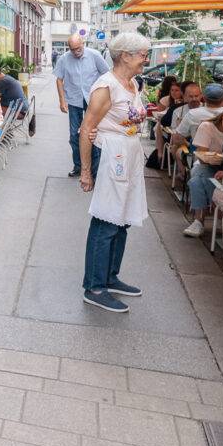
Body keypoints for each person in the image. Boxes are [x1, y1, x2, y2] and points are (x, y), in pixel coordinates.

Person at [77, 32, 153, 313]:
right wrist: (86, 172)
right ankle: (95, 286)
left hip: (128, 154)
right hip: (111, 155)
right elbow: (86, 129)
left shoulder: (132, 83)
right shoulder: (106, 86)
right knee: (106, 220)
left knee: (122, 220)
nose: (146, 59)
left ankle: (110, 277)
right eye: (143, 54)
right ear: (125, 56)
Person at [55, 35, 110, 178]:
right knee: (74, 135)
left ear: (83, 43)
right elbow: (59, 80)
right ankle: (78, 166)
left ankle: (95, 168)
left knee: (93, 132)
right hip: (74, 100)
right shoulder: (64, 59)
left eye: (78, 48)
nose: (75, 52)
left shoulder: (95, 55)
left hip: (93, 99)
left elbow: (107, 74)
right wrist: (62, 101)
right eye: (72, 49)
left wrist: (105, 96)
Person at [183, 106, 223, 237]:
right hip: (206, 165)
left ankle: (199, 221)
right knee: (199, 176)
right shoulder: (207, 127)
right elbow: (202, 157)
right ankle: (221, 216)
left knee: (196, 181)